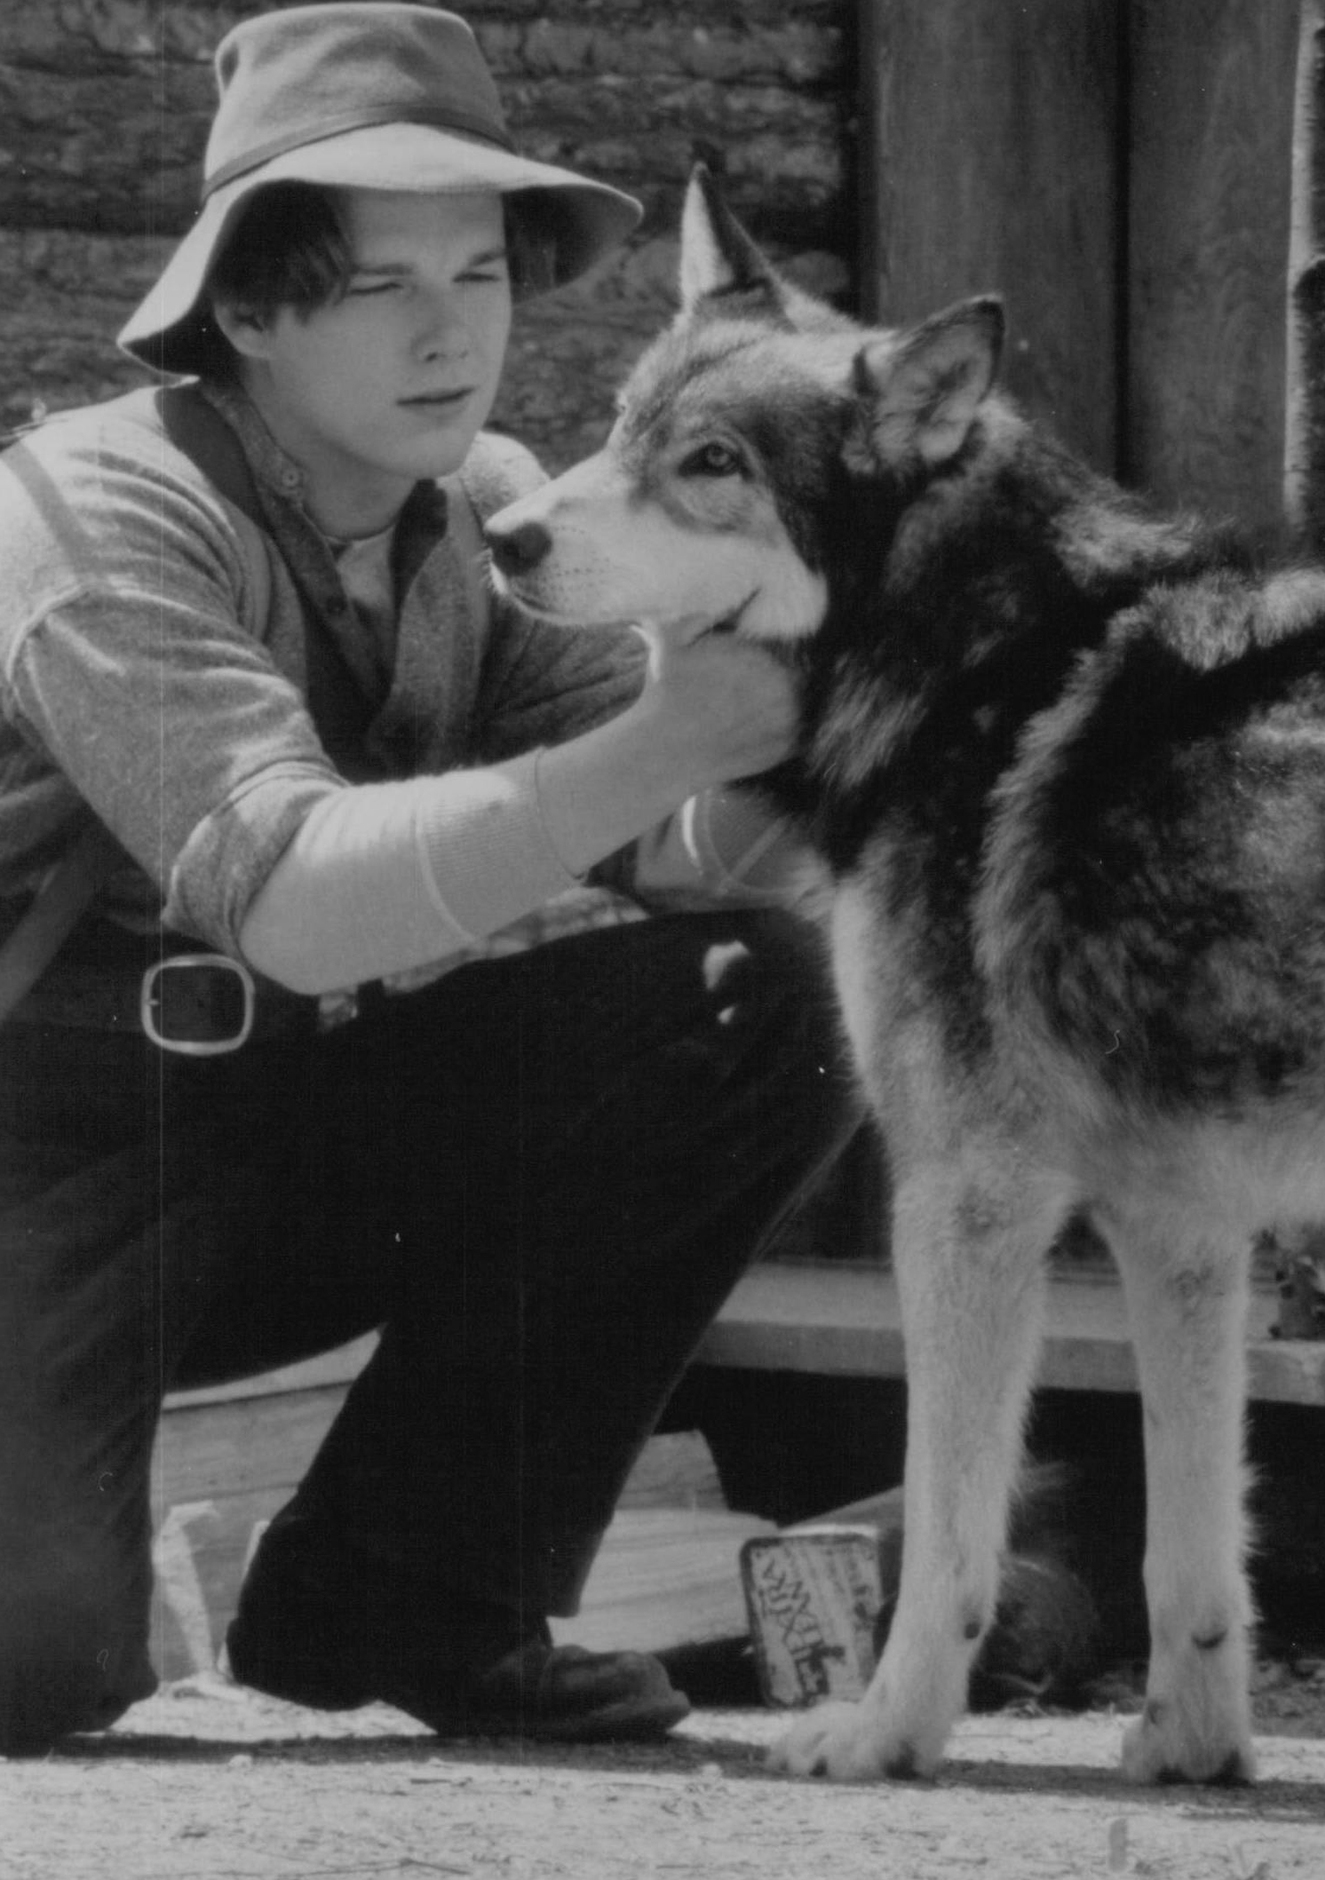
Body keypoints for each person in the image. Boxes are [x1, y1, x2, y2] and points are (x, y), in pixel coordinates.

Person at [0, 3, 854, 1753]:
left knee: (760, 998)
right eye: (386, 283)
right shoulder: (90, 514)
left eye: (483, 273)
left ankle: (411, 1593)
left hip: (292, 1117)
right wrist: (678, 738)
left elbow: (672, 829)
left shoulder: (487, 506)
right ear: (245, 305)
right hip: (42, 1148)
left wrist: (864, 710)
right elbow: (302, 895)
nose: (452, 326)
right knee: (31, 1671)